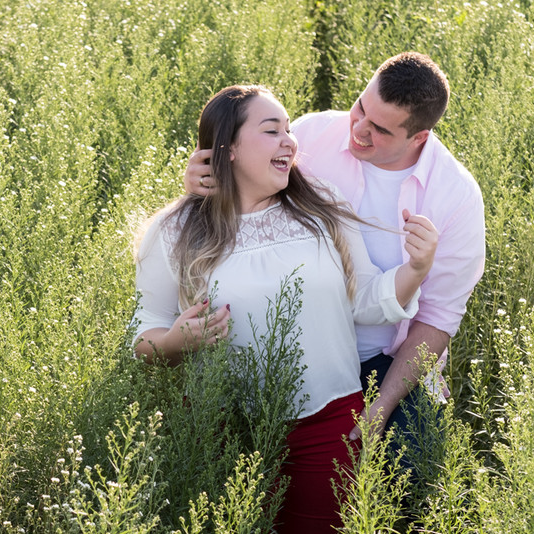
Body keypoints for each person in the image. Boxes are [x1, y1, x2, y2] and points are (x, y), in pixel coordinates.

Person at [132, 84, 437, 534]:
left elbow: (371, 305)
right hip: (227, 426)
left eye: (289, 131)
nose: (289, 141)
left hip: (328, 416)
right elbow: (144, 339)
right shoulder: (176, 232)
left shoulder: (321, 215)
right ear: (228, 147)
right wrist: (180, 339)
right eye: (271, 130)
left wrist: (416, 269)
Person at [185, 53, 486, 473]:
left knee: (414, 468)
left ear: (418, 137)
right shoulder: (310, 135)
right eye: (361, 107)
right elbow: (243, 181)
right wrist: (203, 185)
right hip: (293, 342)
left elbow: (438, 318)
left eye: (380, 130)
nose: (359, 130)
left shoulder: (456, 198)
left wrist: (381, 406)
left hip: (382, 361)